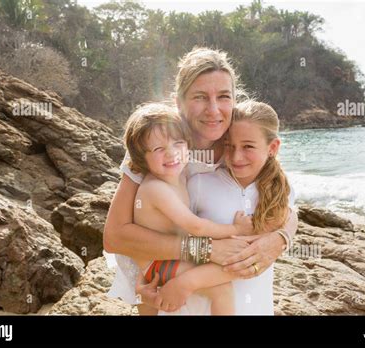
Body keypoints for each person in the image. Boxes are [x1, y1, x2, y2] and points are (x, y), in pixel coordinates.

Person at [103, 47, 298, 314]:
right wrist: (204, 249)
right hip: (168, 288)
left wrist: (281, 238)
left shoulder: (242, 143)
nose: (214, 109)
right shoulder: (157, 146)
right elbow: (116, 236)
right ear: (178, 103)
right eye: (200, 97)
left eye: (224, 97)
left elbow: (282, 195)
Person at [153, 100, 292, 314]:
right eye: (229, 145)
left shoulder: (281, 192)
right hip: (194, 307)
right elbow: (167, 240)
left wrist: (188, 281)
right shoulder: (200, 184)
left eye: (248, 146)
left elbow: (246, 260)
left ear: (272, 147)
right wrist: (181, 282)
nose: (236, 157)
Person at [121, 102, 254, 314]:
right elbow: (197, 227)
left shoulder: (179, 173)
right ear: (141, 158)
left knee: (226, 271)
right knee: (222, 285)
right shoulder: (156, 188)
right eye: (158, 149)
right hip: (156, 265)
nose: (171, 153)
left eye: (178, 143)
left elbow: (212, 165)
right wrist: (236, 230)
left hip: (167, 257)